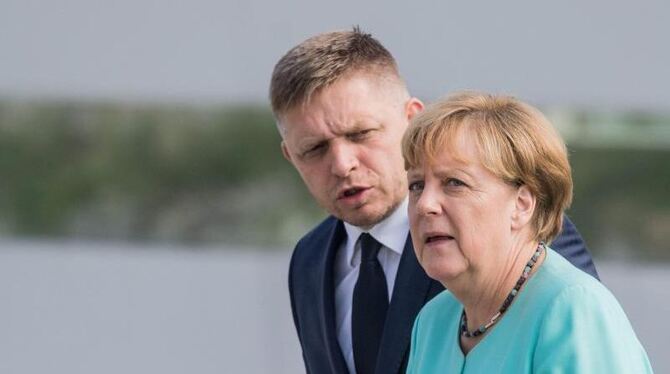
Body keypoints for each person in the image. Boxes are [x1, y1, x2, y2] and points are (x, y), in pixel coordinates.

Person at [269, 28, 598, 374]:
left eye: (360, 134)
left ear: (412, 119)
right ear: (291, 156)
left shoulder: (518, 231)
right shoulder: (309, 261)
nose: (342, 164)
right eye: (314, 149)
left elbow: (579, 339)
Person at [403, 92, 652, 373]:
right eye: (416, 185)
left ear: (521, 205)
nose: (424, 204)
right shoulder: (433, 320)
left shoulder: (573, 310)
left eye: (454, 183)